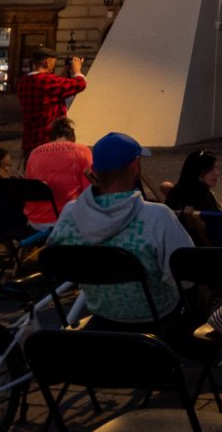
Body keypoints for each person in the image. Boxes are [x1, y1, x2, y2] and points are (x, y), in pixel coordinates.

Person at [48, 131, 193, 332]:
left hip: (103, 312)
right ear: (134, 166)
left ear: (94, 171)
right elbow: (186, 279)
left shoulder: (70, 213)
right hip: (157, 316)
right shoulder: (157, 216)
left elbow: (57, 261)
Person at [16, 47, 86, 158]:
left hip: (30, 138)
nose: (54, 65)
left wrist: (65, 70)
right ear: (47, 62)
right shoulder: (47, 81)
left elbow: (52, 90)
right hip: (48, 138)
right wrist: (77, 71)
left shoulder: (23, 81)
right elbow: (80, 84)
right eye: (54, 62)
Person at [24, 117, 92, 228]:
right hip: (66, 222)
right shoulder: (82, 151)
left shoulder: (34, 153)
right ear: (74, 138)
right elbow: (90, 190)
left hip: (34, 222)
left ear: (50, 139)